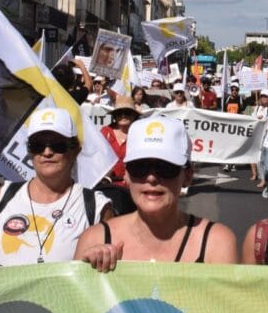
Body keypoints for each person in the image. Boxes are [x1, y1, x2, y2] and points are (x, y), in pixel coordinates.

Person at [0, 108, 113, 268]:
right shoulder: (2, 195)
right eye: (37, 145)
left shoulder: (96, 206)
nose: (47, 152)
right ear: (30, 151)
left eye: (57, 145)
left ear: (75, 151)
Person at [74, 115, 237, 269]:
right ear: (126, 175)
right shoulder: (94, 239)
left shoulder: (216, 243)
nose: (151, 178)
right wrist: (88, 272)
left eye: (166, 168)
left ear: (187, 176)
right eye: (139, 167)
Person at [99, 96, 138, 214]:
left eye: (127, 112)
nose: (123, 115)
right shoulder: (105, 132)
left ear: (134, 115)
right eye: (119, 113)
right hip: (106, 186)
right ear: (114, 116)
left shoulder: (139, 134)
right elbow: (96, 157)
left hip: (132, 187)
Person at [252, 87, 268, 185]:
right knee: (259, 160)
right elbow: (251, 119)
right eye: (262, 96)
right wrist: (256, 118)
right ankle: (263, 179)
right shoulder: (257, 108)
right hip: (258, 138)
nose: (263, 98)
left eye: (266, 96)